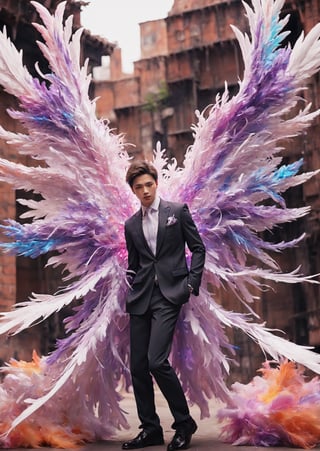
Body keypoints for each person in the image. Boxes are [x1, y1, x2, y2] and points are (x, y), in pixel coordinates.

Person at [122, 160, 206, 450]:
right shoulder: (131, 225)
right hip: (141, 297)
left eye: (148, 184)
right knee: (138, 366)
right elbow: (134, 264)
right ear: (133, 191)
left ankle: (184, 423)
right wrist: (132, 284)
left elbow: (198, 248)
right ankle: (150, 429)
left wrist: (191, 283)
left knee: (156, 360)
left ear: (156, 183)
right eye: (138, 187)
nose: (145, 191)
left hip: (169, 294)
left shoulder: (177, 211)